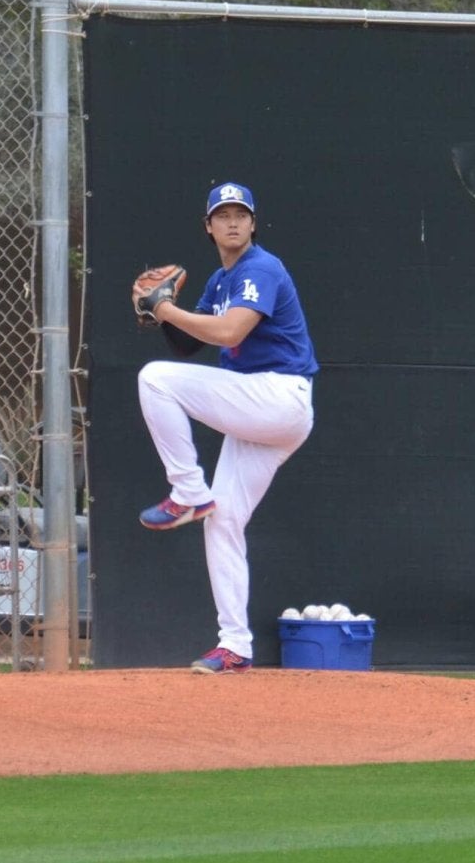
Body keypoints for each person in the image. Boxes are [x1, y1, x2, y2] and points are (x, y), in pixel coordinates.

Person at [137, 182, 318, 674]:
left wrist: (167, 308)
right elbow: (188, 346)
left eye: (241, 214)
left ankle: (187, 490)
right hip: (261, 414)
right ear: (209, 226)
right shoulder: (221, 280)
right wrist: (160, 313)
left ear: (253, 223)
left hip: (278, 396)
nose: (233, 222)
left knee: (154, 380)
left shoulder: (262, 267)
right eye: (223, 215)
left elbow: (231, 331)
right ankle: (234, 646)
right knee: (224, 520)